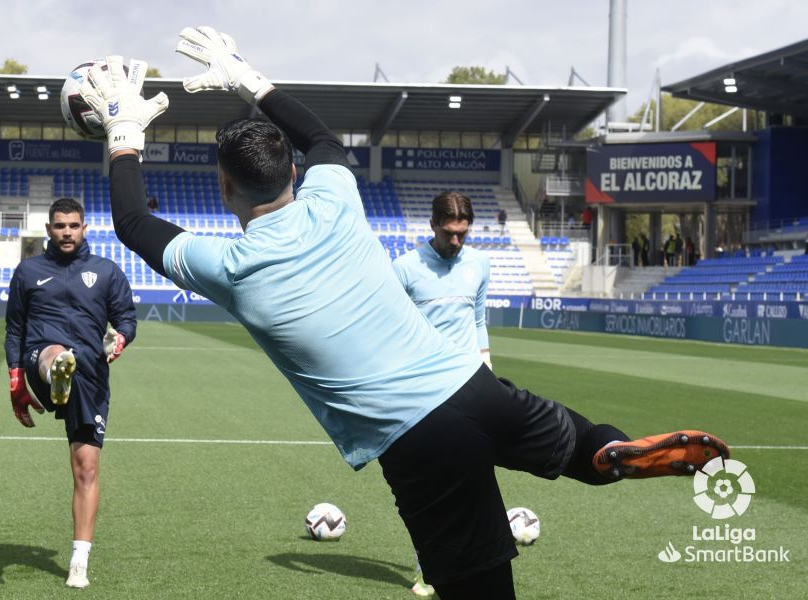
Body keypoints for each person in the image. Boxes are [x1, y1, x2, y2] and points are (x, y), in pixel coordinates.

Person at [80, 33, 729, 599]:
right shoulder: (335, 194)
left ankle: (595, 458)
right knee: (582, 445)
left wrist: (123, 132)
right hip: (472, 387)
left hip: (418, 439)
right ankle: (604, 451)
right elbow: (323, 137)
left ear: (224, 189)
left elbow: (134, 223)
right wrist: (249, 79)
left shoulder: (229, 269)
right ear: (295, 172)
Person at [4, 197, 137, 589]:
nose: (66, 232)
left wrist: (121, 339)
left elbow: (126, 318)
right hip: (39, 358)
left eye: (73, 225)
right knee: (56, 353)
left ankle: (79, 561)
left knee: (86, 469)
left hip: (91, 377)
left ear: (84, 228)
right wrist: (17, 383)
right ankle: (55, 371)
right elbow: (14, 329)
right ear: (48, 229)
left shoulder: (106, 272)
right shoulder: (29, 272)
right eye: (59, 226)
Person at [391, 190, 491, 596]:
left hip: (471, 385)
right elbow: (393, 329)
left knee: (473, 479)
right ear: (433, 225)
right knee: (431, 487)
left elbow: (479, 319)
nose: (456, 242)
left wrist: (488, 370)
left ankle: (475, 564)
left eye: (462, 234)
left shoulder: (480, 265)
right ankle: (427, 568)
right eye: (449, 233)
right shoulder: (405, 268)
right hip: (423, 390)